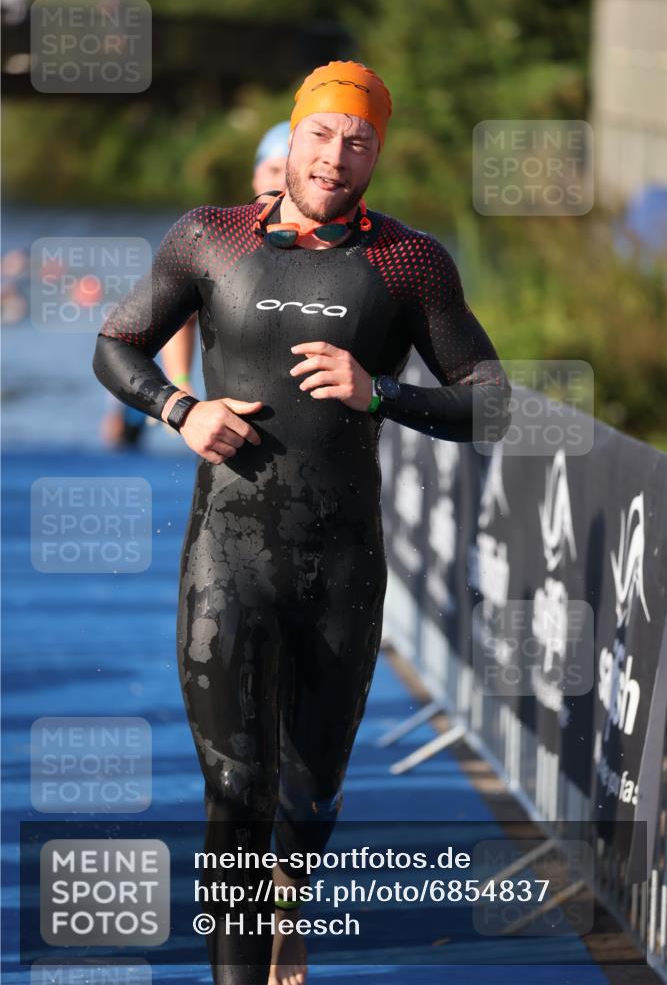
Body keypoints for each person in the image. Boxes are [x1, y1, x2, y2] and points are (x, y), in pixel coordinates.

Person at [92, 61, 511, 985]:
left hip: (342, 565)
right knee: (236, 791)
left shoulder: (408, 262)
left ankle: (290, 899)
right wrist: (178, 408)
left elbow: (492, 401)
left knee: (309, 800)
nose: (335, 156)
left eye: (357, 141)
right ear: (292, 140)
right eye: (321, 136)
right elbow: (115, 341)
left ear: (375, 155)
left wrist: (383, 392)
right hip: (226, 557)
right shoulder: (211, 239)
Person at [160, 121, 290, 397]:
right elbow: (178, 314)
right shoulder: (223, 241)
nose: (282, 182)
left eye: (291, 173)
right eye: (275, 170)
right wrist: (181, 385)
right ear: (256, 176)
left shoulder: (331, 243)